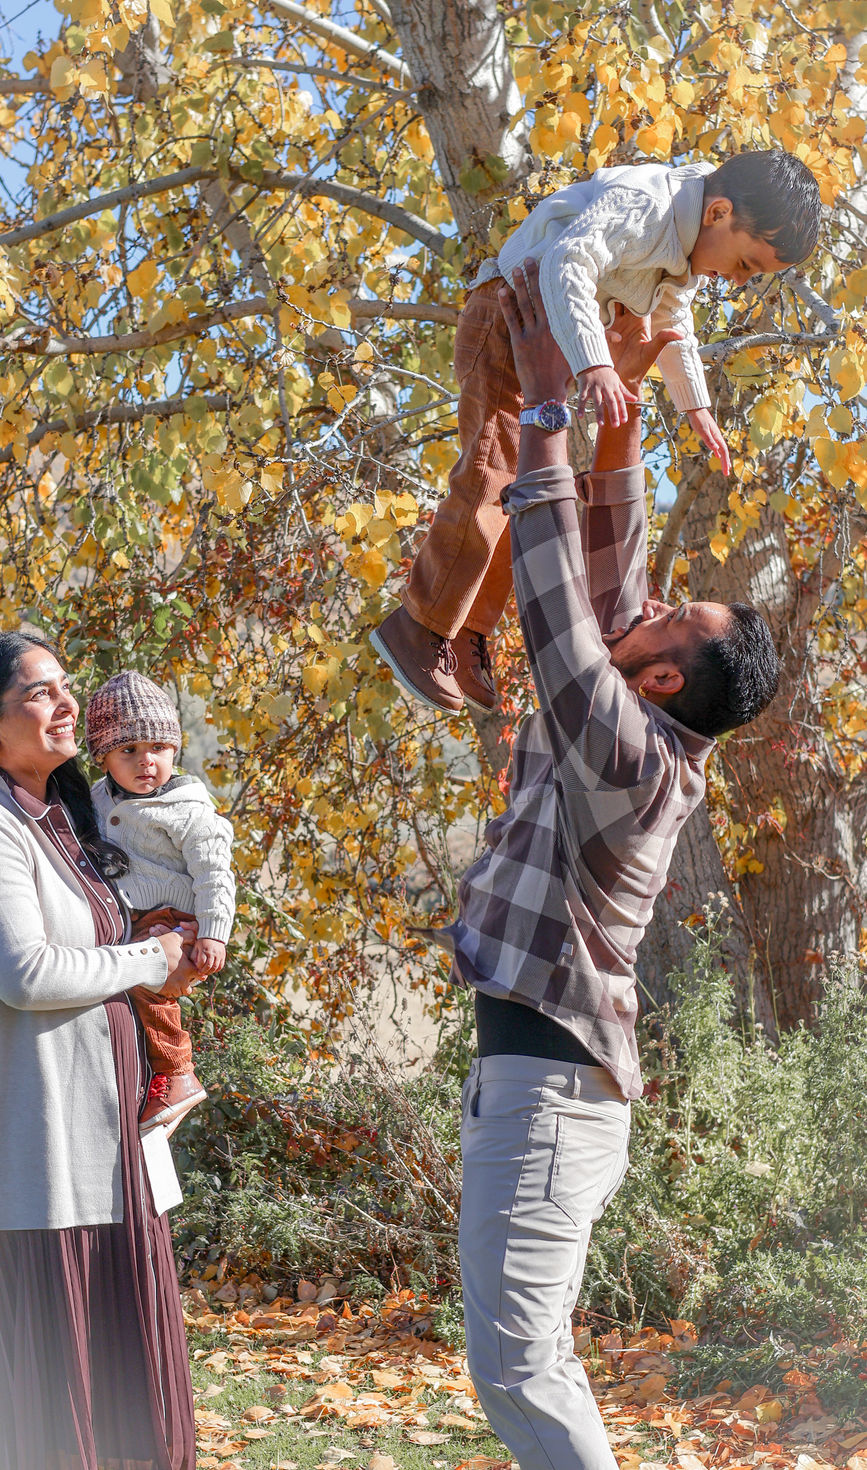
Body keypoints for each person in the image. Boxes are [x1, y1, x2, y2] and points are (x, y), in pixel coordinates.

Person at [443, 268, 780, 1470]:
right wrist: (617, 438)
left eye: (670, 617)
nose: (643, 607)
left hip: (549, 1096)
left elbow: (556, 615)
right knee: (521, 1363)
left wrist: (545, 421)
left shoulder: (630, 756)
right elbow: (607, 591)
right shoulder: (642, 723)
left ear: (663, 681)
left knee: (523, 1368)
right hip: (532, 1086)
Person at [370, 150, 819, 715]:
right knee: (490, 477)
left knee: (521, 501)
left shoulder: (683, 254)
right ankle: (420, 624)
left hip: (544, 337)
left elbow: (671, 323)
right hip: (509, 314)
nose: (736, 280)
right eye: (746, 265)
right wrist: (595, 366)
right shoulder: (648, 204)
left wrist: (694, 405)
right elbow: (567, 260)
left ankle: (465, 633)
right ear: (719, 213)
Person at [0, 632, 199, 1470]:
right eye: (40, 693)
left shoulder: (68, 822)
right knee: (60, 1403)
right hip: (45, 1153)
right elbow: (26, 974)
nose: (68, 703)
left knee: (128, 1385)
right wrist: (154, 960)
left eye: (65, 686)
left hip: (114, 1143)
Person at [85, 669, 236, 1135]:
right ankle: (151, 1080)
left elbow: (216, 873)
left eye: (158, 748)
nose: (145, 761)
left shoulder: (188, 809)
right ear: (104, 756)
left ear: (175, 750)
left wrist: (212, 932)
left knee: (149, 988)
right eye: (128, 750)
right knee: (121, 995)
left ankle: (177, 1074)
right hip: (131, 915)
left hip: (173, 916)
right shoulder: (96, 798)